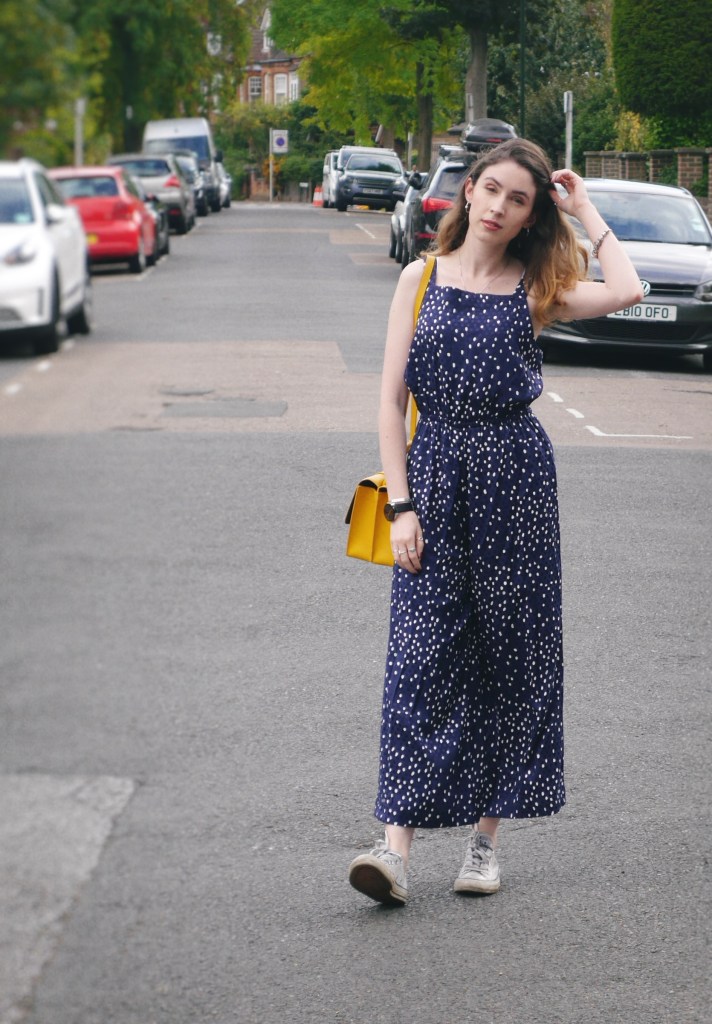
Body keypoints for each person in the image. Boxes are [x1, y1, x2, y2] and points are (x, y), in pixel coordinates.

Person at [348, 139, 642, 906]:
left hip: (516, 483)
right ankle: (393, 848)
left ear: (530, 216)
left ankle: (485, 842)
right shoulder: (418, 279)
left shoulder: (537, 287)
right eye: (492, 190)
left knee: (512, 658)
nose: (499, 208)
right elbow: (389, 403)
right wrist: (401, 506)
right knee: (419, 659)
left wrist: (585, 209)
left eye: (518, 200)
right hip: (432, 478)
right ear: (469, 191)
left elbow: (628, 289)